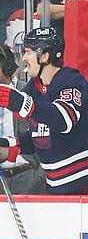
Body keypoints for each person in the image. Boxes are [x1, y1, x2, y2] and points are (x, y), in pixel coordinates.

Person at [7, 27, 88, 194]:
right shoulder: (33, 89)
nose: (24, 58)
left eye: (28, 52)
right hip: (60, 185)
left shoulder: (70, 79)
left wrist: (25, 105)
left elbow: (64, 119)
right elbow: (42, 135)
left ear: (44, 56)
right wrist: (12, 145)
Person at [0, 45, 46, 194]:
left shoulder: (29, 93)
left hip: (28, 178)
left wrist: (41, 178)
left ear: (7, 67)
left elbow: (47, 135)